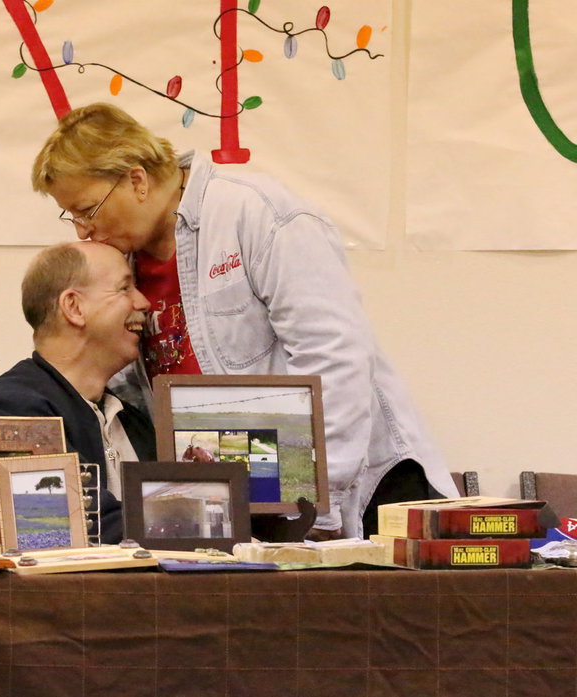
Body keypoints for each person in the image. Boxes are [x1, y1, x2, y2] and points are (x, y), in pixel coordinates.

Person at [30, 103, 459, 539]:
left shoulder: (256, 213)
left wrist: (315, 506)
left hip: (359, 495)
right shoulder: (122, 262)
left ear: (136, 180)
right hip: (249, 501)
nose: (83, 231)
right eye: (74, 217)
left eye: (88, 209)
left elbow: (335, 359)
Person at [0, 241, 156, 543]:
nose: (144, 302)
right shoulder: (12, 410)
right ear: (74, 307)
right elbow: (83, 524)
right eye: (125, 288)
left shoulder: (132, 420)